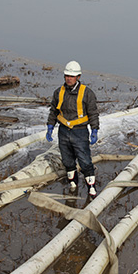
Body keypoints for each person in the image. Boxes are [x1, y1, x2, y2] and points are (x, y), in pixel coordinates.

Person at [46, 61, 100, 197]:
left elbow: (93, 113)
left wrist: (94, 130)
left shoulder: (87, 93)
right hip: (63, 131)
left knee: (85, 160)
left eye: (72, 76)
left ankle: (91, 187)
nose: (69, 78)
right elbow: (54, 111)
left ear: (78, 77)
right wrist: (50, 126)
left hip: (80, 132)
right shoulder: (59, 92)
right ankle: (73, 184)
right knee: (67, 161)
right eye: (67, 75)